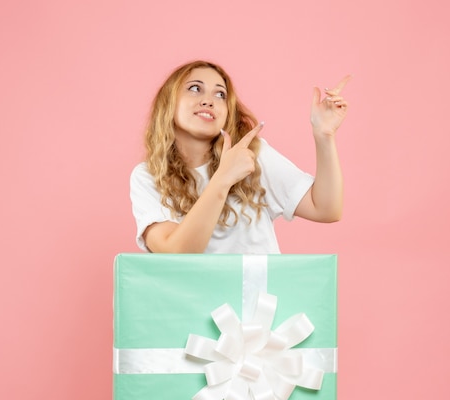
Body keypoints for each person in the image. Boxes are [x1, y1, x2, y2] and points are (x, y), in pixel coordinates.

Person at [130, 60, 349, 254]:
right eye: (195, 88)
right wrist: (223, 178)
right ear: (169, 103)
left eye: (220, 94)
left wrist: (324, 135)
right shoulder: (147, 177)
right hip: (194, 300)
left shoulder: (252, 156)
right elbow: (176, 253)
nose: (209, 101)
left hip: (258, 299)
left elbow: (326, 208)